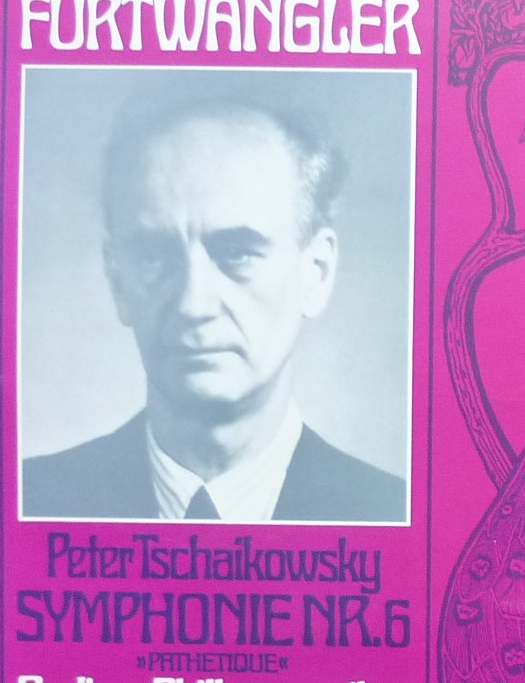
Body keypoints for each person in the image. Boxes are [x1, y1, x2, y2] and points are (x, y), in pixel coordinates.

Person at [23, 101, 405, 523]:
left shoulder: (388, 513)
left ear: (316, 273)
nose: (193, 304)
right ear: (118, 282)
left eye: (237, 253)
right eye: (154, 256)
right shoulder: (30, 500)